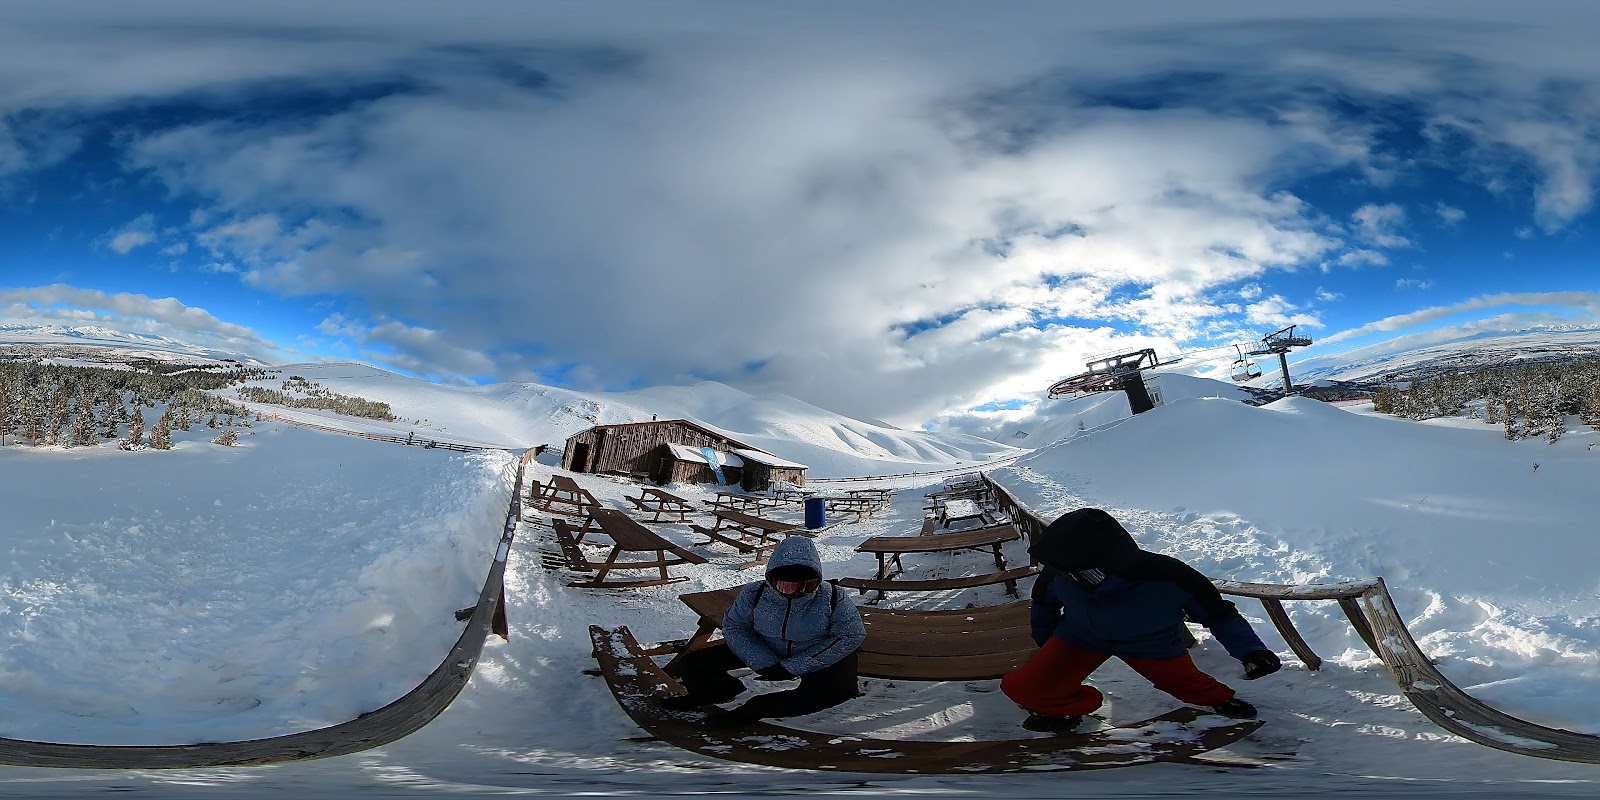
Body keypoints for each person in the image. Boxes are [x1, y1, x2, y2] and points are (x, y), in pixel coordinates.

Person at [1001, 508, 1282, 732]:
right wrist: (1046, 638)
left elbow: (1219, 614)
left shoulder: (1168, 576)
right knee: (1023, 686)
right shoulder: (1063, 570)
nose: (1069, 578)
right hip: (1081, 637)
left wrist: (1251, 651)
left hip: (1151, 645)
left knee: (1190, 687)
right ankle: (1068, 710)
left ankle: (1221, 699)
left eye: (1082, 574)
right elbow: (1044, 603)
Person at [659, 536, 866, 725]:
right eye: (787, 587)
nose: (797, 593)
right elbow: (735, 626)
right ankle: (716, 692)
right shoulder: (755, 593)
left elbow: (851, 635)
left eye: (808, 586)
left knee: (837, 691)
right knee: (694, 663)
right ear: (772, 580)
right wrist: (762, 661)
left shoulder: (833, 597)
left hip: (812, 651)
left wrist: (793, 667)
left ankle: (756, 708)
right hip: (767, 645)